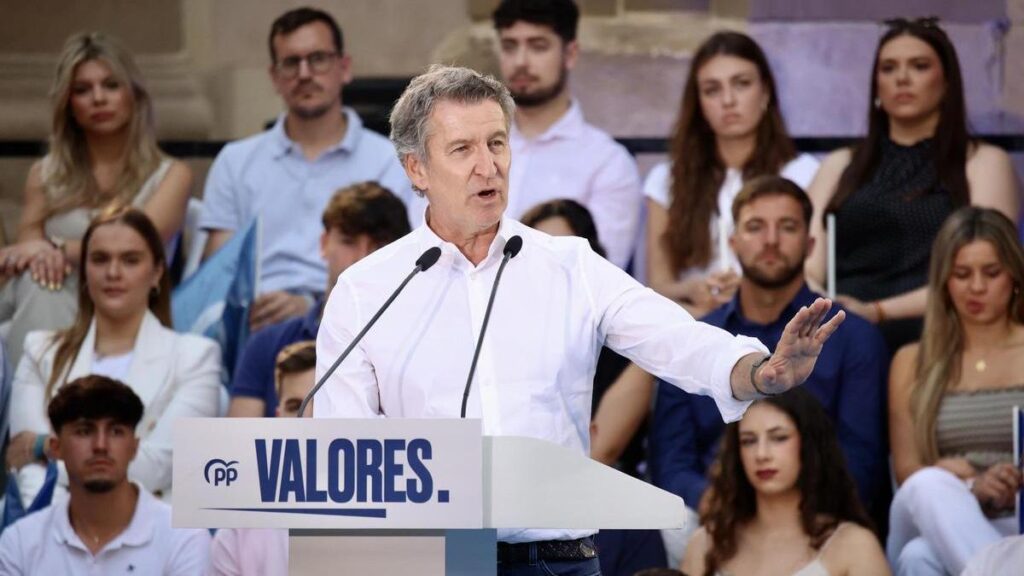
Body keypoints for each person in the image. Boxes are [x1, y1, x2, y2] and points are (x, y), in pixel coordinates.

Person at [314, 64, 845, 575]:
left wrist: (757, 371)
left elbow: (674, 338)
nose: (488, 165)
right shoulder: (368, 291)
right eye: (462, 149)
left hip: (557, 559)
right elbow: (343, 446)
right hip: (432, 560)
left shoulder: (569, 265)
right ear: (416, 168)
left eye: (497, 143)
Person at [650, 177, 888, 565]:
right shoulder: (694, 336)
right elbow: (671, 459)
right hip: (711, 514)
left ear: (811, 244)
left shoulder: (853, 337)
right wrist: (716, 500)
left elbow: (861, 462)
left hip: (816, 517)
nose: (771, 240)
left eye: (788, 227)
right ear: (733, 243)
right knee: (668, 523)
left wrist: (786, 512)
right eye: (756, 227)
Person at [806, 17, 1020, 352]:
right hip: (843, 332)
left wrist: (878, 312)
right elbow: (805, 264)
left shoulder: (983, 162)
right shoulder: (839, 164)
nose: (902, 78)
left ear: (947, 81)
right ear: (876, 85)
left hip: (941, 336)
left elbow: (990, 271)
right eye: (888, 68)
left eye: (919, 66)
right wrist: (830, 307)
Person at [198, 7, 414, 333]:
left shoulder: (389, 160)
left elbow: (394, 265)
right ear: (274, 77)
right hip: (256, 327)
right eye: (291, 63)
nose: (304, 73)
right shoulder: (235, 161)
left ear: (344, 68)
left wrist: (313, 306)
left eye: (318, 59)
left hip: (356, 322)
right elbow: (218, 278)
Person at [7, 207, 221, 507]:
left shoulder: (196, 357)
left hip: (155, 535)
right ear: (84, 271)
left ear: (157, 271)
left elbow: (158, 467)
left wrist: (43, 446)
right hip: (47, 527)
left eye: (130, 260)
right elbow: (27, 472)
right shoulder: (39, 350)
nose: (113, 273)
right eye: (100, 259)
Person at [0, 32, 192, 364]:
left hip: (128, 301)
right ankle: (39, 399)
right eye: (82, 90)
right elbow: (28, 247)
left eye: (111, 85)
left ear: (134, 95)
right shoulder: (44, 173)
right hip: (53, 292)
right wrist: (41, 251)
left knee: (40, 281)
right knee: (38, 283)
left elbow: (139, 244)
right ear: (69, 105)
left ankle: (44, 397)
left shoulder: (173, 174)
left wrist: (56, 248)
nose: (98, 98)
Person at [521, 199, 665, 575]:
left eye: (561, 251)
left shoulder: (621, 343)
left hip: (593, 501)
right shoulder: (494, 344)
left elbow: (600, 450)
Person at [887, 206, 1024, 575]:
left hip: (1017, 520)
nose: (976, 287)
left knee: (918, 557)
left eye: (991, 273)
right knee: (928, 482)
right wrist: (968, 486)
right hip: (937, 506)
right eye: (962, 274)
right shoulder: (912, 360)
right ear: (944, 281)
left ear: (1014, 275)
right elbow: (907, 472)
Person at [645, 31, 818, 318]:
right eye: (712, 89)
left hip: (779, 320)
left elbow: (814, 271)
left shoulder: (802, 173)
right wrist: (695, 290)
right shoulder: (666, 179)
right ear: (698, 103)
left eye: (741, 84)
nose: (728, 100)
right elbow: (658, 285)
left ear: (765, 92)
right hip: (694, 322)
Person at [227, 181, 410, 417]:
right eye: (348, 241)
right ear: (324, 244)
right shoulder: (266, 344)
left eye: (378, 246)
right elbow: (240, 445)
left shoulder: (421, 342)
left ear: (403, 252)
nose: (362, 258)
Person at [0, 375, 211, 574]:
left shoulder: (185, 538)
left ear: (134, 447)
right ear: (55, 448)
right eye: (84, 431)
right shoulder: (19, 542)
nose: (100, 446)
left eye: (116, 432)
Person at [493, 0, 642, 269]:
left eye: (538, 46)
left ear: (570, 54)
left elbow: (597, 273)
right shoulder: (475, 149)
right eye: (509, 46)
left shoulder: (608, 163)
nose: (520, 62)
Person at [681, 388, 889, 576]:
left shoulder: (854, 545)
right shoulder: (705, 544)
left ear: (809, 445)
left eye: (779, 438)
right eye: (748, 441)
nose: (761, 454)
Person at [208, 342, 315, 575]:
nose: (306, 420)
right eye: (295, 406)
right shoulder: (238, 531)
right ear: (277, 418)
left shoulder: (387, 514)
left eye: (321, 404)